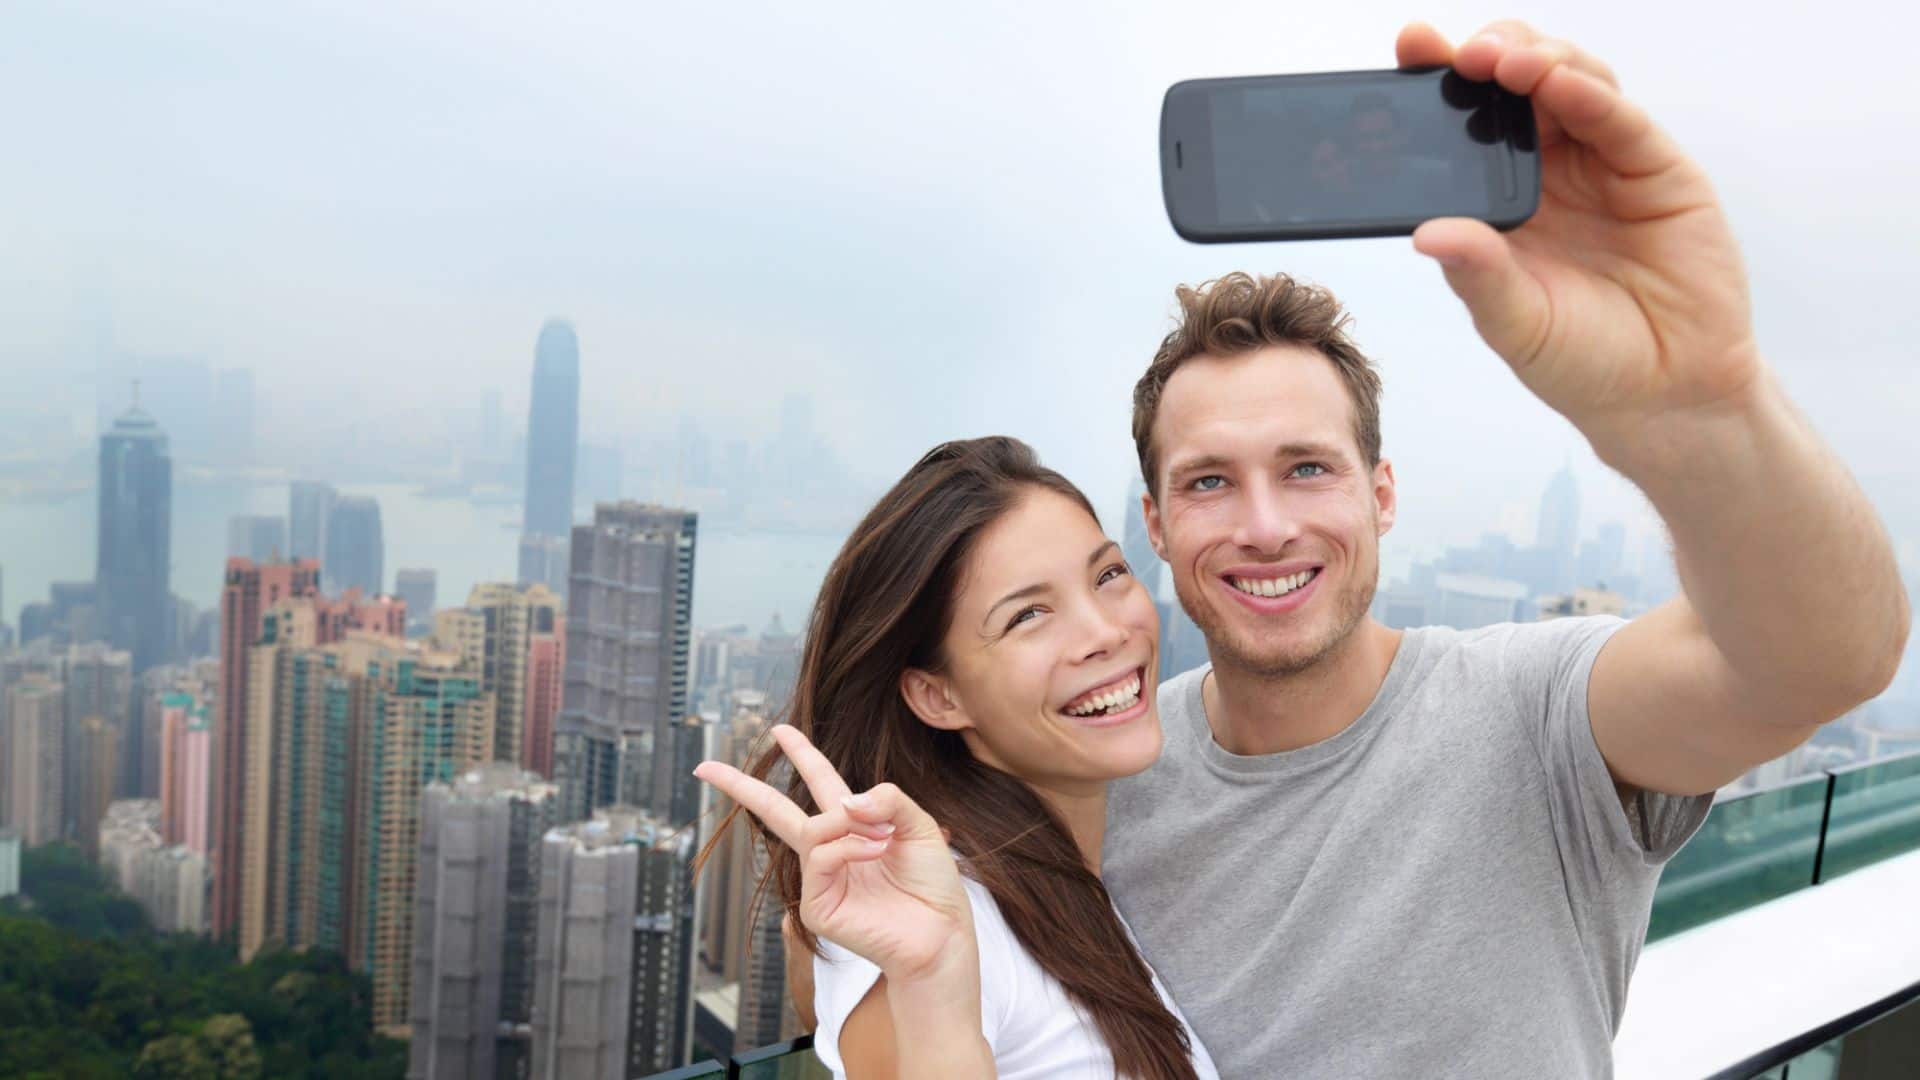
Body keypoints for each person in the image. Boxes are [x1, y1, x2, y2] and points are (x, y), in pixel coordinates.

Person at [1098, 18, 1909, 1078]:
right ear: (1156, 527)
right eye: (1209, 482)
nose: (1263, 525)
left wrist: (1704, 405)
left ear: (1381, 494)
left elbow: (1822, 660)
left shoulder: (1533, 713)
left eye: (1309, 468)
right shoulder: (1103, 766)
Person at [694, 437, 1221, 1079]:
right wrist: (927, 979)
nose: (1107, 633)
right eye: (1029, 614)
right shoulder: (939, 922)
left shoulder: (1063, 882)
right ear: (937, 696)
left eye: (1108, 575)